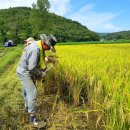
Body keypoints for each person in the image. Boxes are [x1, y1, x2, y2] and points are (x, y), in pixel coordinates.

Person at [16, 34, 57, 127]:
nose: (48, 49)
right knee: (32, 92)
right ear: (44, 43)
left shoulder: (37, 45)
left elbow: (35, 63)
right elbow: (31, 68)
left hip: (24, 69)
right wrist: (41, 73)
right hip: (25, 72)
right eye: (48, 47)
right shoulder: (35, 50)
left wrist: (43, 67)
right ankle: (33, 119)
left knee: (27, 90)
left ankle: (27, 107)